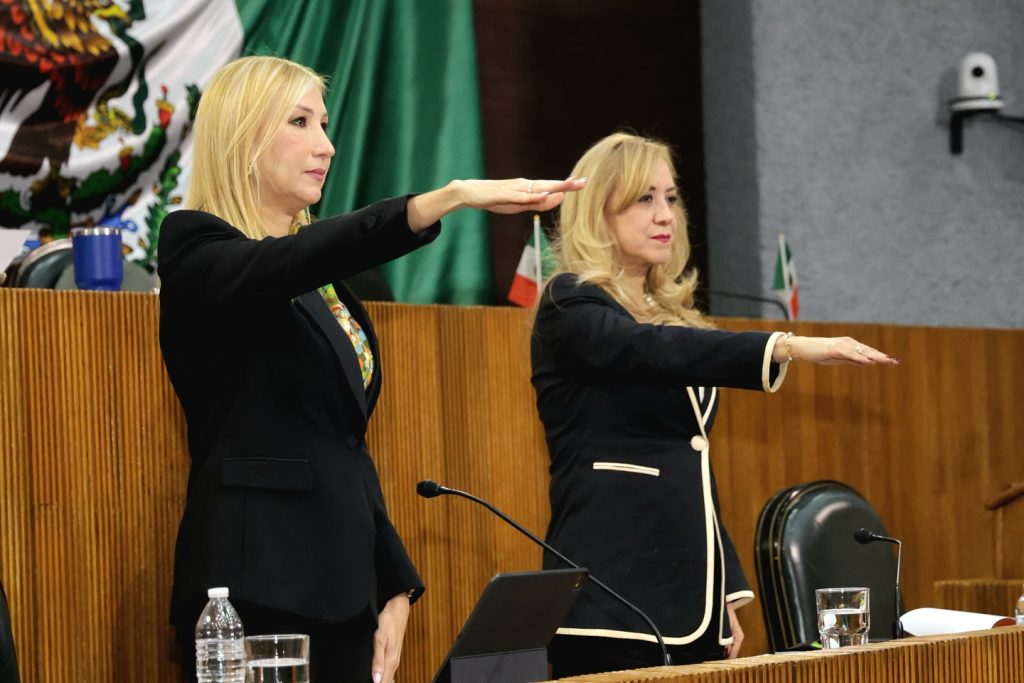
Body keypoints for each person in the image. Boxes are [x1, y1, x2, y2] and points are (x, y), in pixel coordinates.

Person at [157, 55, 584, 683]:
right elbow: (284, 262)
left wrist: (393, 582)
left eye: (325, 125)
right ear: (241, 135)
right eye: (300, 122)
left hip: (345, 590)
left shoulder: (328, 283)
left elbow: (344, 446)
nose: (326, 146)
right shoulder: (195, 248)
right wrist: (448, 198)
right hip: (253, 590)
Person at [530, 132, 898, 676]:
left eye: (670, 197)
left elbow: (689, 461)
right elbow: (650, 350)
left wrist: (722, 588)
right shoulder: (570, 302)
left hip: (689, 602)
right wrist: (787, 345)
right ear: (597, 211)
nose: (665, 215)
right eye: (644, 199)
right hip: (609, 602)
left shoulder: (671, 315)